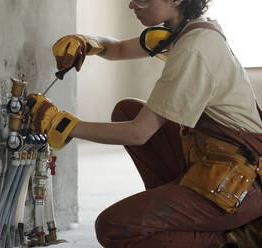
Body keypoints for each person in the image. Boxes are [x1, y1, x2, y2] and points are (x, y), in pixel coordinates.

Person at [27, 0, 262, 247]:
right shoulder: (188, 30)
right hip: (216, 161)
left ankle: (233, 239)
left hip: (240, 186)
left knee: (113, 227)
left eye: (142, 0)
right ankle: (178, 208)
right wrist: (86, 42)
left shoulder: (194, 48)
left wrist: (63, 125)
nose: (132, 5)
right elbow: (116, 49)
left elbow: (139, 133)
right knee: (126, 111)